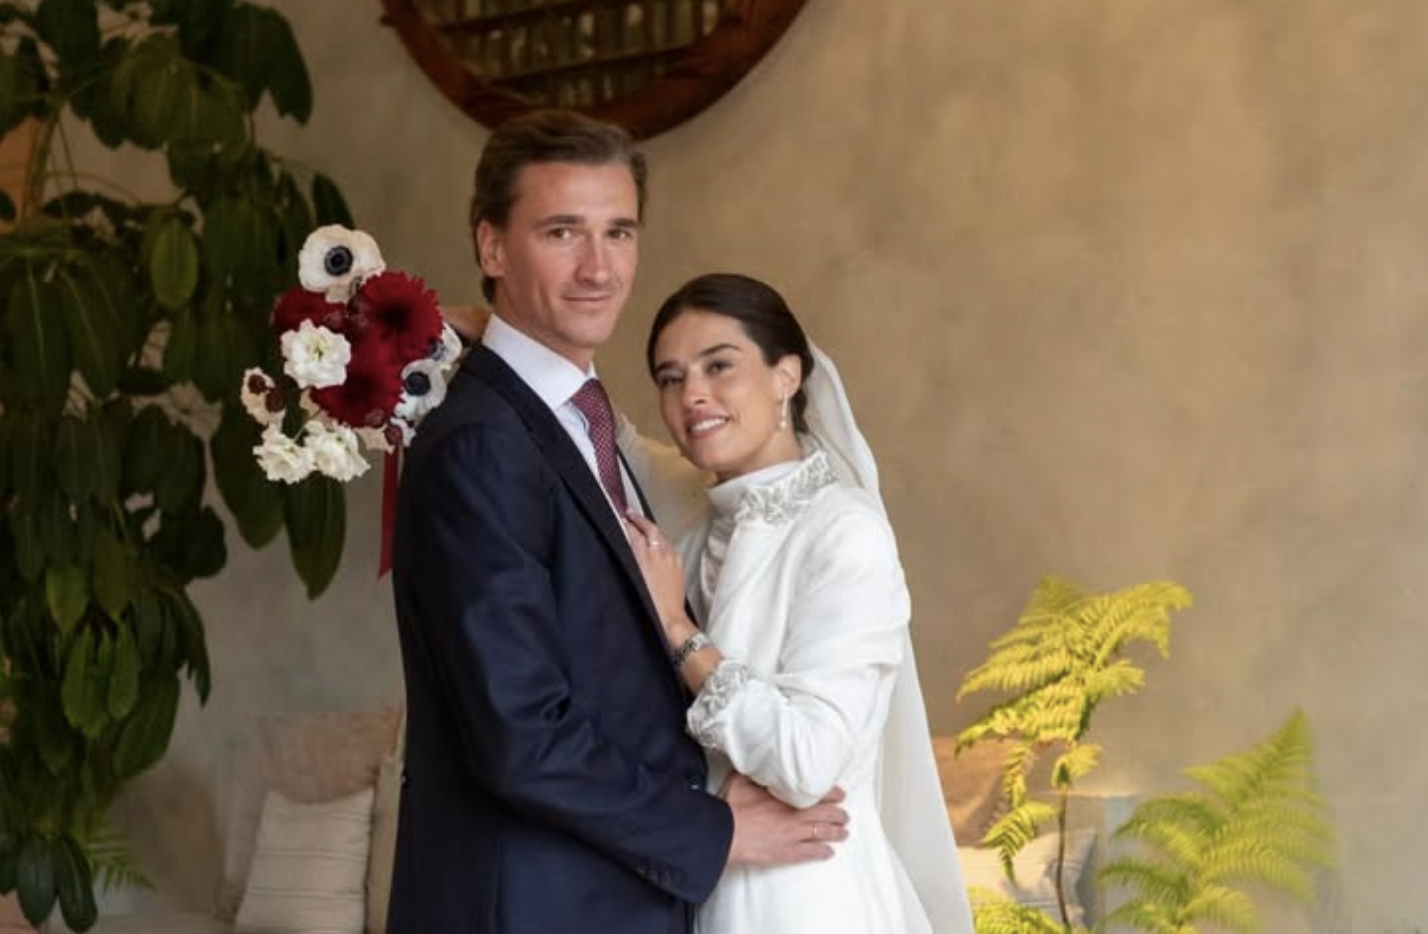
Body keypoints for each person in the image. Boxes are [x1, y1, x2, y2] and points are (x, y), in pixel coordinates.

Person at [387, 111, 849, 934]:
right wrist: (719, 829)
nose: (599, 268)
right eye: (563, 232)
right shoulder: (479, 446)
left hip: (615, 897)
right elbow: (520, 734)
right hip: (532, 906)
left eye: (619, 231)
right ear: (493, 247)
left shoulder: (585, 425)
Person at [619, 272, 975, 934]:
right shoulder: (702, 524)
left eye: (719, 366)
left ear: (788, 376)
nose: (693, 394)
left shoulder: (844, 532)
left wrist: (679, 629)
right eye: (670, 378)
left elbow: (810, 761)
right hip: (709, 884)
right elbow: (608, 442)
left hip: (810, 897)